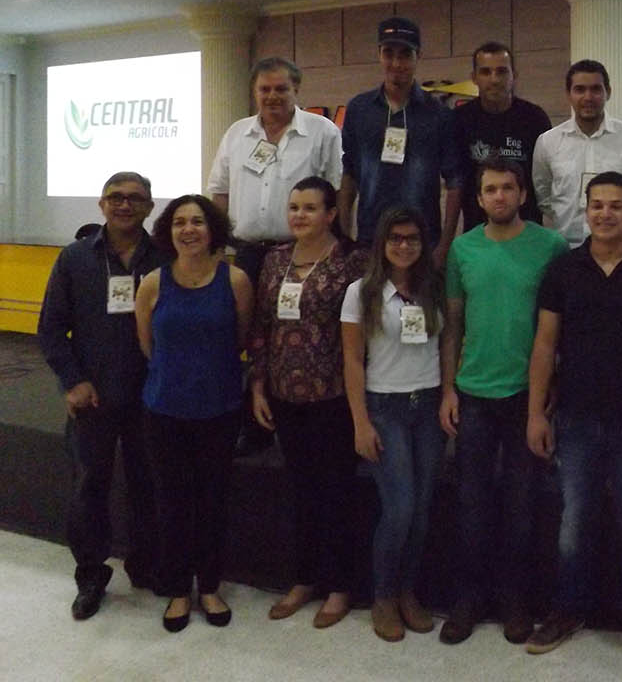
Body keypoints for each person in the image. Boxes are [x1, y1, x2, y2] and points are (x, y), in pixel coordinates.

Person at [525, 171, 622, 661]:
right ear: (585, 211)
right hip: (576, 420)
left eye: (616, 206)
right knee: (574, 521)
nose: (605, 214)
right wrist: (535, 415)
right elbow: (545, 345)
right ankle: (568, 609)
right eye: (597, 205)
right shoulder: (564, 269)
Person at [438, 157, 567, 646]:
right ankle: (468, 599)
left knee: (521, 506)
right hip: (472, 394)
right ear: (479, 197)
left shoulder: (551, 247)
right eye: (489, 189)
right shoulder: (462, 251)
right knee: (471, 506)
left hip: (524, 398)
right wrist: (448, 387)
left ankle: (515, 601)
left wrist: (553, 386)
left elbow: (559, 328)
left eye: (507, 188)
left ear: (522, 194)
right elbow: (453, 325)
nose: (498, 197)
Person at [38, 171, 166, 620]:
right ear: (101, 204)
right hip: (92, 396)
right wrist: (72, 381)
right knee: (89, 485)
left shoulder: (167, 256)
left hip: (152, 396)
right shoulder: (74, 258)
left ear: (150, 207)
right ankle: (91, 573)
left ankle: (146, 564)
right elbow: (51, 329)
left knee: (147, 483)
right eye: (116, 197)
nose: (124, 205)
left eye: (135, 198)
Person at [248, 177, 365, 628]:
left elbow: (362, 334)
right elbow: (261, 327)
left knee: (336, 494)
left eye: (310, 208)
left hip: (333, 396)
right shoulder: (275, 260)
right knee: (300, 493)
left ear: (331, 214)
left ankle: (338, 586)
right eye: (294, 207)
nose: (299, 215)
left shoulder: (351, 262)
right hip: (284, 395)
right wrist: (258, 386)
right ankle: (304, 578)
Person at [134, 195, 254, 632]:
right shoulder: (152, 282)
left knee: (212, 502)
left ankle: (209, 586)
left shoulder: (236, 280)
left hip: (219, 410)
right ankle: (177, 591)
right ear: (168, 231)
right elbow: (148, 345)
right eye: (180, 222)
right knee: (171, 504)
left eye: (198, 222)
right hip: (165, 411)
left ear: (212, 230)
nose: (189, 230)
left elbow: (240, 339)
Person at [341, 205, 448, 642]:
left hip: (429, 407)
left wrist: (449, 395)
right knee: (399, 509)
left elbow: (445, 345)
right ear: (382, 244)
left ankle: (407, 591)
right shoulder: (361, 292)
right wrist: (360, 422)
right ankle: (383, 596)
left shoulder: (433, 287)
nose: (404, 246)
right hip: (385, 407)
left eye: (413, 239)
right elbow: (351, 359)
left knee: (421, 512)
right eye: (395, 238)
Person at [339, 17, 462, 267]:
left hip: (421, 243)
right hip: (368, 243)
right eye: (389, 53)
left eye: (406, 54)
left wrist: (444, 246)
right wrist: (343, 239)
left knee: (420, 308)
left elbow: (455, 183)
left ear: (419, 56)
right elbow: (348, 175)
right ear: (379, 55)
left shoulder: (439, 115)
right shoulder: (359, 109)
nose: (397, 63)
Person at [207, 56, 343, 282]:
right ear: (254, 91)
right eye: (265, 89)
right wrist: (215, 247)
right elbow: (220, 194)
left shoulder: (322, 131)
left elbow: (335, 193)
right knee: (243, 318)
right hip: (245, 254)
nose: (272, 96)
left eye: (281, 89)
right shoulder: (236, 133)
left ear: (296, 88)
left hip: (302, 253)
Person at [531, 59, 622, 249]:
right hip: (566, 253)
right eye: (580, 89)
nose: (588, 97)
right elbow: (545, 200)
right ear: (568, 95)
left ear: (608, 92)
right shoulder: (547, 142)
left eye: (596, 89)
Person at [448, 41, 552, 237]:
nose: (494, 79)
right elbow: (455, 183)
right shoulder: (458, 120)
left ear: (514, 76)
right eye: (486, 72)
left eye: (502, 71)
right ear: (474, 78)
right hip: (478, 236)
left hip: (528, 236)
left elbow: (546, 181)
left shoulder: (535, 118)